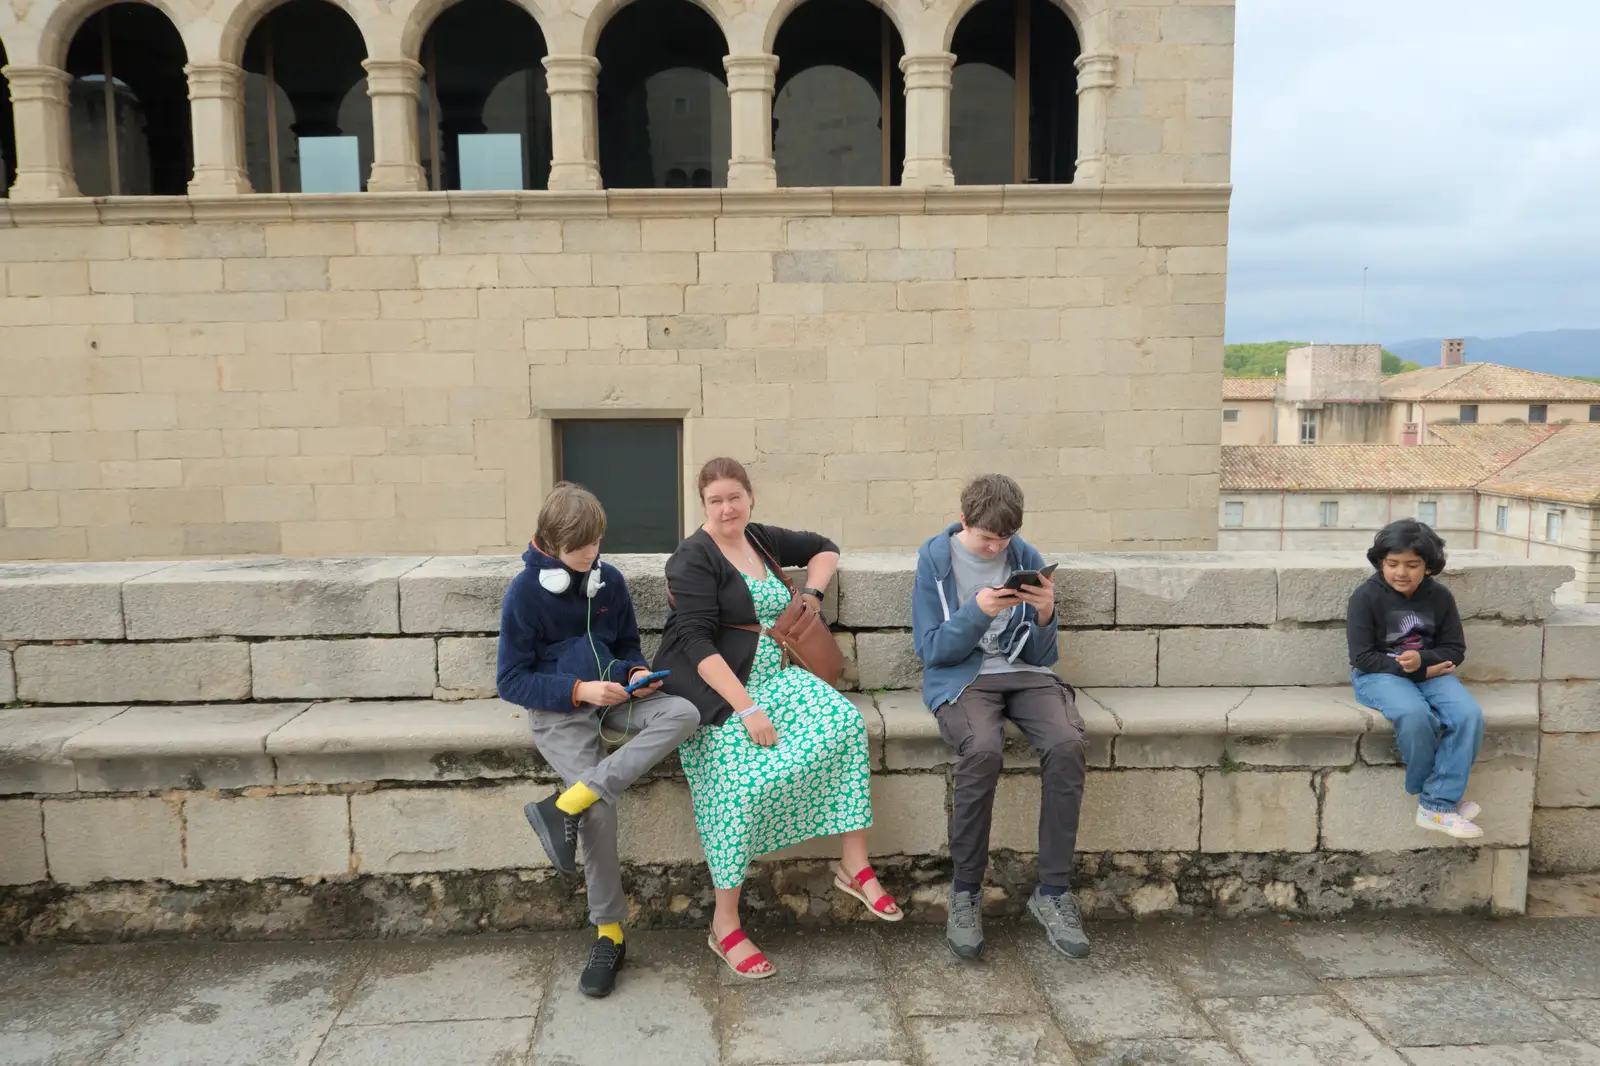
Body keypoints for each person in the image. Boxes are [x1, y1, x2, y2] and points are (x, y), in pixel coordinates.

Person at [653, 457, 900, 980]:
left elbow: (825, 547)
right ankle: (725, 921)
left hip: (778, 677)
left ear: (749, 498)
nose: (726, 508)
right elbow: (694, 641)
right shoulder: (692, 559)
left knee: (846, 725)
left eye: (734, 498)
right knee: (738, 782)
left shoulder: (760, 537)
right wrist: (746, 708)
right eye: (716, 500)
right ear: (703, 505)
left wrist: (811, 592)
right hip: (722, 690)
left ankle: (854, 866)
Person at [496, 482, 702, 998]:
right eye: (579, 553)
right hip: (561, 711)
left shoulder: (607, 579)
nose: (591, 561)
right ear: (550, 543)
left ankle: (569, 799)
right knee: (602, 812)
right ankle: (610, 932)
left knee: (684, 711)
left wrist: (636, 671)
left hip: (618, 698)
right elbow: (511, 681)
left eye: (596, 548)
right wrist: (578, 689)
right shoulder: (525, 592)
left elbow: (628, 642)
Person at [911, 473, 1090, 961]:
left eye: (1004, 540)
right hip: (964, 680)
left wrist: (1047, 613)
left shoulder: (1025, 558)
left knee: (1067, 743)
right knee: (984, 749)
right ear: (965, 519)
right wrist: (977, 612)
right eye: (987, 538)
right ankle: (966, 891)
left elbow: (1042, 655)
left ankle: (1053, 892)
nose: (995, 549)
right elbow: (932, 652)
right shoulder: (935, 561)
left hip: (1026, 673)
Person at [1347, 518, 1485, 839]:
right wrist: (1416, 669)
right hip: (1378, 674)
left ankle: (1436, 803)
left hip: (1431, 671)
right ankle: (1438, 800)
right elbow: (1361, 657)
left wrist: (1423, 661)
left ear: (1429, 566)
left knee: (1469, 715)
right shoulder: (1365, 597)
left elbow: (1455, 648)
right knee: (1414, 714)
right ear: (1381, 562)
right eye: (1392, 563)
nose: (1401, 572)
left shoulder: (1440, 598)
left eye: (1412, 564)